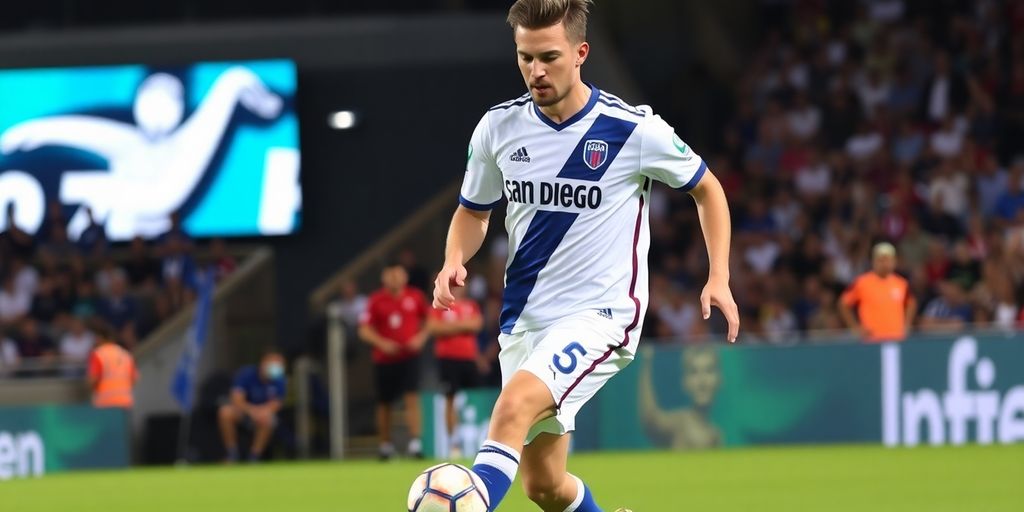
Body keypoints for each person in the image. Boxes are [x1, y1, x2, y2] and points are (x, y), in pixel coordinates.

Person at [431, 2, 739, 510]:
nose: (535, 70)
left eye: (548, 57)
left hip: (601, 315)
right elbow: (474, 212)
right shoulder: (498, 129)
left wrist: (719, 275)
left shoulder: (632, 130)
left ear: (580, 53)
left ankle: (466, 502)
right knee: (546, 488)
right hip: (524, 323)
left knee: (510, 408)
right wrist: (453, 259)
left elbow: (708, 189)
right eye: (524, 58)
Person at [358, 262, 430, 460]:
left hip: (409, 357)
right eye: (390, 275)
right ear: (384, 278)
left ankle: (415, 443)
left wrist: (419, 338)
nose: (394, 279)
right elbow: (364, 330)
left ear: (405, 277)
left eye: (398, 275)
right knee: (384, 403)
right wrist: (382, 343)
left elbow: (429, 321)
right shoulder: (376, 300)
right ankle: (385, 446)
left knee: (412, 398)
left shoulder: (415, 297)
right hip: (384, 359)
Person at [426, 285, 484, 457]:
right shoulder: (439, 306)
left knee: (476, 397)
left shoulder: (471, 304)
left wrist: (451, 327)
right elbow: (434, 328)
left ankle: (480, 440)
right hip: (448, 359)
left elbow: (477, 324)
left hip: (469, 358)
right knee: (450, 398)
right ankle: (454, 443)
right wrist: (463, 326)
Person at [638, 345, 722, 450]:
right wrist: (647, 361)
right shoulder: (679, 423)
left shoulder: (716, 434)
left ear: (720, 379)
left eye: (709, 370)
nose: (702, 381)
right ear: (684, 382)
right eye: (694, 372)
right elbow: (650, 420)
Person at [838, 242, 917, 342]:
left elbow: (911, 303)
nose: (884, 263)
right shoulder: (862, 282)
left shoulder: (901, 283)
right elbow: (843, 303)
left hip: (896, 339)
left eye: (888, 260)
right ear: (873, 261)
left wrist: (906, 325)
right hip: (872, 339)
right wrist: (855, 328)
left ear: (894, 261)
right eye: (881, 260)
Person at [217, 351, 286, 463]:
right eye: (275, 364)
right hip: (244, 412)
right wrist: (251, 411)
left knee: (269, 419)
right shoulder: (247, 373)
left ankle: (254, 457)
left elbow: (277, 403)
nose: (278, 367)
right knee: (225, 412)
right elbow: (236, 398)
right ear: (264, 363)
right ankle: (232, 454)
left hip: (263, 414)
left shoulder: (279, 380)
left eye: (280, 365)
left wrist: (262, 412)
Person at [86, 326, 139, 408]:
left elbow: (93, 380)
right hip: (125, 402)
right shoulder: (126, 354)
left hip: (105, 402)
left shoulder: (98, 354)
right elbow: (134, 378)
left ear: (100, 338)